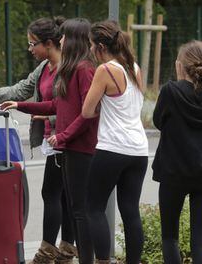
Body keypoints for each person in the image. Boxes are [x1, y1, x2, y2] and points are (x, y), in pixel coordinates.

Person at [0, 17, 77, 263]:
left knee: (52, 193)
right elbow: (21, 90)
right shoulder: (44, 67)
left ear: (50, 43)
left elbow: (73, 109)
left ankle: (47, 251)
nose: (31, 49)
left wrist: (45, 115)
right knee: (62, 196)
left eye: (34, 44)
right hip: (51, 140)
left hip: (66, 140)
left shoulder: (70, 69)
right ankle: (66, 249)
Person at [1, 18, 98, 264]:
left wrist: (63, 136)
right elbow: (57, 105)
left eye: (64, 36)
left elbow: (89, 113)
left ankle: (79, 256)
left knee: (79, 210)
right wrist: (20, 105)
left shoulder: (85, 69)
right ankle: (65, 252)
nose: (60, 40)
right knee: (73, 207)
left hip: (78, 148)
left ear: (73, 39)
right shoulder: (71, 68)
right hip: (66, 146)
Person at [152, 40, 202, 264]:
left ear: (180, 66)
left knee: (170, 237)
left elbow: (158, 121)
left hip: (174, 172)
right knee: (200, 241)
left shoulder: (170, 91)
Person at [81, 20, 148, 264]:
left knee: (94, 208)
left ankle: (103, 261)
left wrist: (102, 106)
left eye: (91, 46)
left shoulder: (105, 70)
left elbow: (87, 111)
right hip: (139, 150)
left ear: (100, 46)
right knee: (130, 211)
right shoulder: (135, 68)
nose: (89, 50)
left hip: (112, 148)